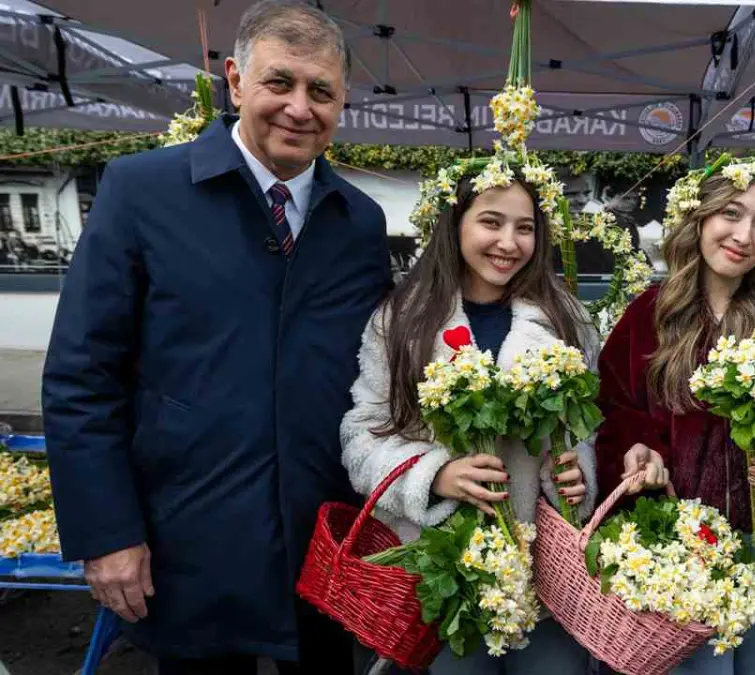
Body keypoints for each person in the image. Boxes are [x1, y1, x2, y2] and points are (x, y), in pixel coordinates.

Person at [40, 2, 392, 673]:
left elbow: (374, 376)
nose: (299, 107)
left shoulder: (359, 224)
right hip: (189, 543)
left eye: (321, 91)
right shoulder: (141, 192)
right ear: (234, 81)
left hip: (321, 549)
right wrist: (108, 533)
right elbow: (81, 376)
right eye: (278, 83)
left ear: (342, 103)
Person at [340, 171, 599, 674]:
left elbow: (588, 426)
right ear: (454, 224)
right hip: (443, 571)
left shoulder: (566, 316)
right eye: (491, 222)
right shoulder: (402, 319)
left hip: (546, 572)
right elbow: (361, 433)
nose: (508, 243)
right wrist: (432, 475)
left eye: (525, 228)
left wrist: (576, 469)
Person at [594, 158, 755, 674]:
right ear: (698, 217)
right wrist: (635, 448)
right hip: (684, 549)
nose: (744, 235)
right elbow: (613, 409)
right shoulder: (651, 313)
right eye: (730, 213)